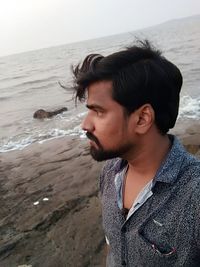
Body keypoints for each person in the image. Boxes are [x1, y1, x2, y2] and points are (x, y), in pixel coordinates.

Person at [72, 40, 200, 266]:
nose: (85, 125)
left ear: (142, 119)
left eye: (98, 112)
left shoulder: (194, 197)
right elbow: (114, 245)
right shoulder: (110, 174)